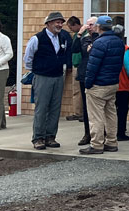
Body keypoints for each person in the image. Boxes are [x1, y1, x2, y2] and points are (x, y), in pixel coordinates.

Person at [24, 11, 72, 150]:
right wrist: (36, 71)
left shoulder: (63, 37)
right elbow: (28, 58)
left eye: (61, 22)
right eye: (57, 22)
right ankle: (38, 137)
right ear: (49, 23)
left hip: (58, 77)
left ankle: (50, 136)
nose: (60, 25)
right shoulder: (37, 38)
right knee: (42, 108)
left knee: (55, 108)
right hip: (42, 77)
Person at [81, 15, 124, 154]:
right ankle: (112, 142)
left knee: (96, 116)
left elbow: (93, 66)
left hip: (98, 84)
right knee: (111, 113)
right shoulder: (118, 41)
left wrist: (88, 83)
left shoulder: (99, 43)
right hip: (113, 82)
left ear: (98, 27)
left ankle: (97, 144)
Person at [72, 16, 96, 146]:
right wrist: (79, 33)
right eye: (87, 24)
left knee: (97, 108)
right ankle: (87, 133)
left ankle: (99, 134)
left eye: (91, 24)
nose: (89, 27)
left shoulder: (99, 38)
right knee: (86, 107)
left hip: (97, 76)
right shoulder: (84, 37)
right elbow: (74, 49)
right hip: (84, 74)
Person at [113, 24, 129, 141]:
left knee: (110, 110)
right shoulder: (124, 49)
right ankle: (120, 132)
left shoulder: (109, 46)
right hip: (122, 85)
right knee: (122, 110)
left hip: (110, 83)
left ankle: (110, 132)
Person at [65, 16, 83, 122]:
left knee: (79, 90)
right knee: (76, 90)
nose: (70, 30)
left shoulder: (82, 35)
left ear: (76, 25)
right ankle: (78, 112)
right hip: (75, 64)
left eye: (71, 27)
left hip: (80, 65)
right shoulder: (76, 35)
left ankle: (80, 113)